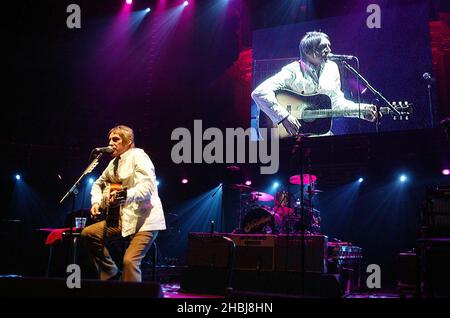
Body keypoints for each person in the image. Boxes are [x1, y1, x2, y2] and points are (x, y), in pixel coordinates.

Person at [251, 31, 378, 137]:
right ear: (308, 51)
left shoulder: (332, 68)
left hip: (321, 133)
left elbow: (336, 103)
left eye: (329, 46)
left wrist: (361, 111)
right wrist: (284, 117)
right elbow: (259, 92)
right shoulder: (292, 71)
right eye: (324, 47)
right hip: (293, 137)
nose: (329, 50)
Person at [81, 125, 166, 282]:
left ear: (128, 141)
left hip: (144, 221)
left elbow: (146, 187)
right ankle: (112, 275)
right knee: (89, 234)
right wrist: (96, 202)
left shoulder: (139, 156)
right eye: (109, 140)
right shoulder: (113, 163)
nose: (111, 143)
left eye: (116, 139)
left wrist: (125, 195)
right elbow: (98, 183)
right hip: (122, 220)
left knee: (130, 261)